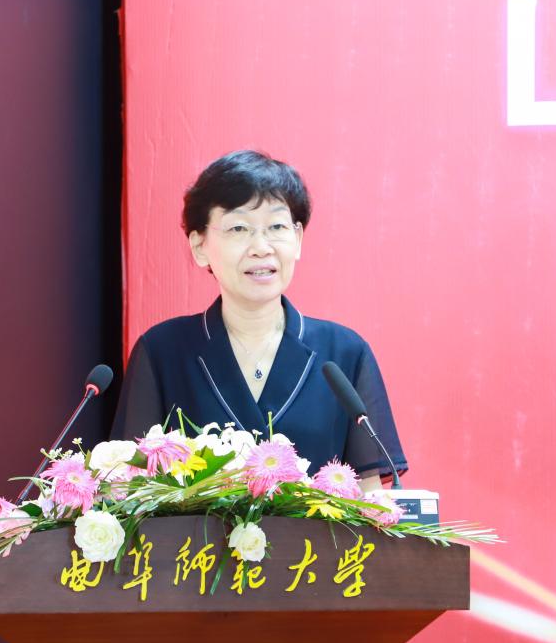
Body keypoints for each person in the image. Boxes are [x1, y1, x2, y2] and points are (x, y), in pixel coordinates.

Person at [110, 150, 406, 490]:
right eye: (239, 228)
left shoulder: (344, 353)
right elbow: (129, 488)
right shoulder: (163, 351)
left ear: (297, 239)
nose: (261, 247)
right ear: (200, 245)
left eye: (276, 227)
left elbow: (370, 496)